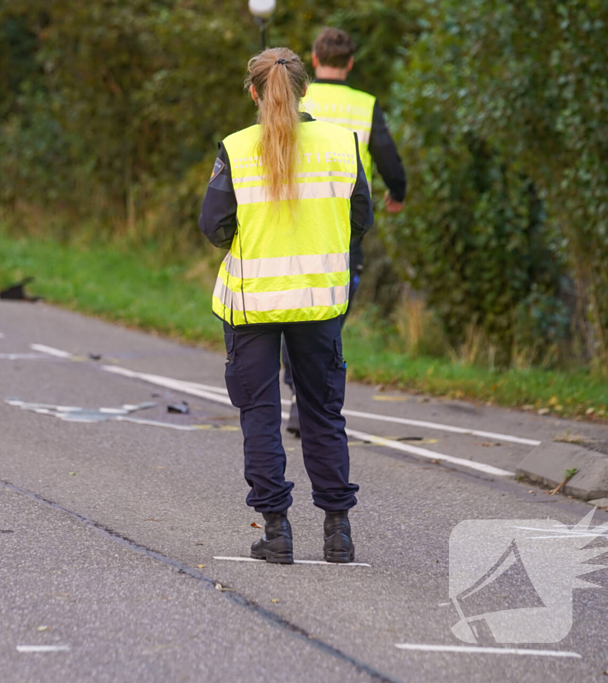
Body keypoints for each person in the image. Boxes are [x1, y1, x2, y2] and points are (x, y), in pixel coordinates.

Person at [198, 47, 373, 564]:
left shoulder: (236, 147)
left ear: (254, 91)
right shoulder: (343, 145)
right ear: (304, 89)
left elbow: (214, 227)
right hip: (320, 302)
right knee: (322, 413)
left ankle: (276, 532)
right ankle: (338, 532)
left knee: (260, 414)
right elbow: (359, 219)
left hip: (253, 306)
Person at [284, 27, 408, 438]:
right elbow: (388, 157)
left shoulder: (302, 96)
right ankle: (312, 397)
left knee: (294, 297)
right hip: (345, 221)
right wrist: (398, 192)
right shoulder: (365, 105)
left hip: (299, 215)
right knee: (334, 305)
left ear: (315, 60)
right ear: (350, 63)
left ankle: (297, 393)